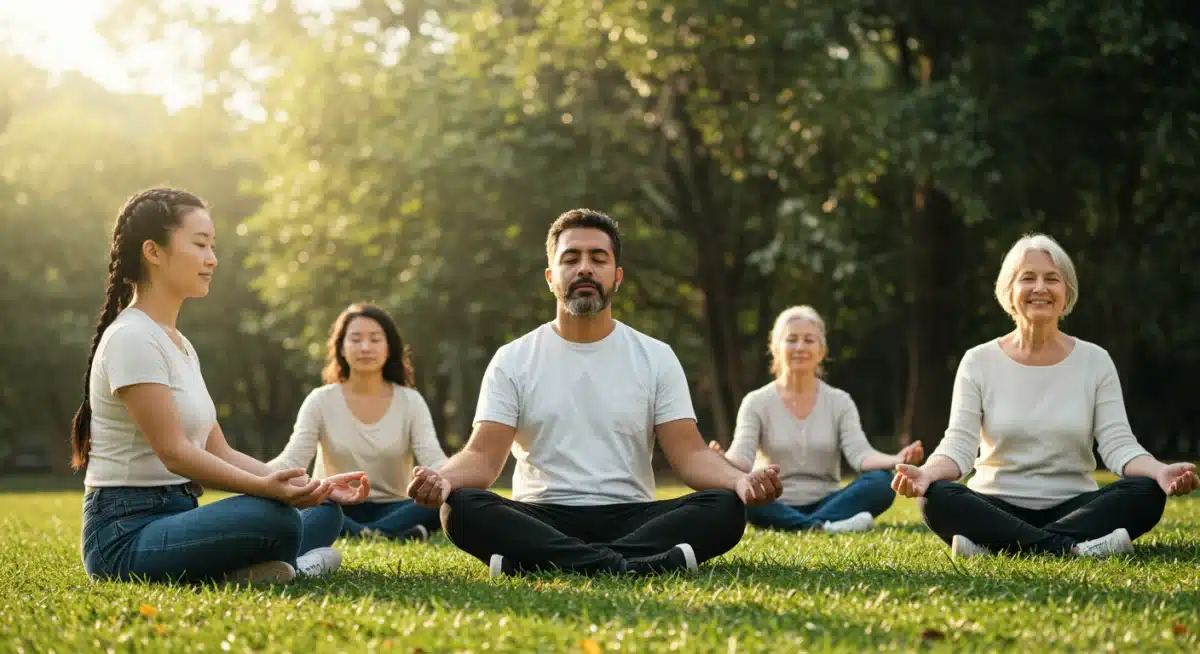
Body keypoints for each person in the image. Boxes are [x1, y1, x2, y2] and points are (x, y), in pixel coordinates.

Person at [405, 208, 783, 578]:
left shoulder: (655, 356)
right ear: (551, 277)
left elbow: (689, 453)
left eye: (598, 258)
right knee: (461, 507)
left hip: (632, 516)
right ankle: (631, 566)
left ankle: (543, 563)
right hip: (542, 516)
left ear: (616, 277)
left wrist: (739, 481)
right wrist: (443, 479)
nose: (584, 267)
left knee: (725, 506)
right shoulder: (513, 359)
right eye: (571, 258)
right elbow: (483, 457)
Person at [73, 187, 371, 586]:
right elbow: (176, 454)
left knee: (323, 510)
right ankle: (293, 565)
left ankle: (244, 569)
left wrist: (308, 486)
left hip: (177, 517)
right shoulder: (131, 337)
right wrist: (268, 490)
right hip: (124, 537)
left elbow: (219, 449)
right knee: (274, 518)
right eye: (200, 244)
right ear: (153, 251)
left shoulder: (179, 344)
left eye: (212, 245)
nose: (212, 258)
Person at [892, 233, 1198, 558]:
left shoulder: (1095, 360)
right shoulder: (978, 361)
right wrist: (926, 474)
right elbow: (959, 445)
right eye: (1028, 278)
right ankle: (1073, 549)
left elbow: (1117, 443)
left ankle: (1003, 547)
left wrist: (1158, 471)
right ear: (1009, 292)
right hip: (996, 505)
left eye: (1052, 279)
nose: (1040, 288)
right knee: (936, 496)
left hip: (1076, 506)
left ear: (1066, 295)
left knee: (1146, 491)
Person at [710, 305, 924, 533]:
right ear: (775, 347)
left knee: (881, 482)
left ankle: (806, 525)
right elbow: (741, 458)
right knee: (735, 491)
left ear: (821, 350)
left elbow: (860, 455)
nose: (800, 347)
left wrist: (897, 458)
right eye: (791, 339)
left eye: (809, 340)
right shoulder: (756, 402)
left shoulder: (840, 401)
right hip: (773, 502)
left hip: (831, 501)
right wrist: (720, 461)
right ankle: (824, 527)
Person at [269, 302, 448, 542]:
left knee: (444, 500)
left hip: (397, 507)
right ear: (341, 348)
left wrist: (454, 478)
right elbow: (292, 460)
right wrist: (256, 477)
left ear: (389, 348)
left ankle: (368, 534)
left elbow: (434, 460)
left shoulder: (411, 401)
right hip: (335, 506)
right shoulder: (320, 400)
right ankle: (392, 535)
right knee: (303, 503)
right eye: (355, 339)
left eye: (375, 339)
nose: (365, 347)